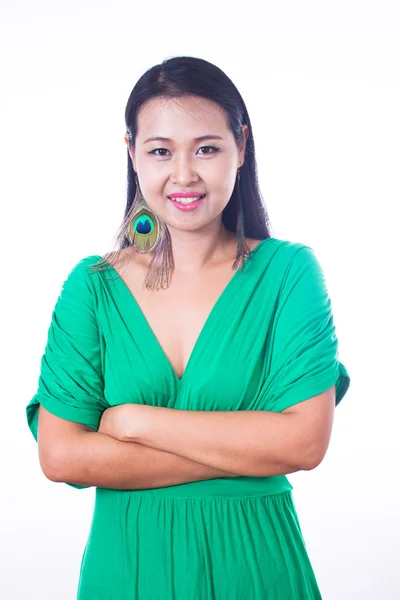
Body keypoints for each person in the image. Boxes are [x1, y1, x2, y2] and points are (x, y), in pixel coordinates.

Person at [26, 55, 351, 599]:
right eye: (160, 151)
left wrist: (133, 421)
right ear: (130, 152)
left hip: (257, 568)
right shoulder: (93, 286)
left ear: (241, 147)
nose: (183, 175)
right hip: (127, 571)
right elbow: (61, 456)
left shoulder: (290, 274)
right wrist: (243, 449)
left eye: (206, 148)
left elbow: (304, 442)